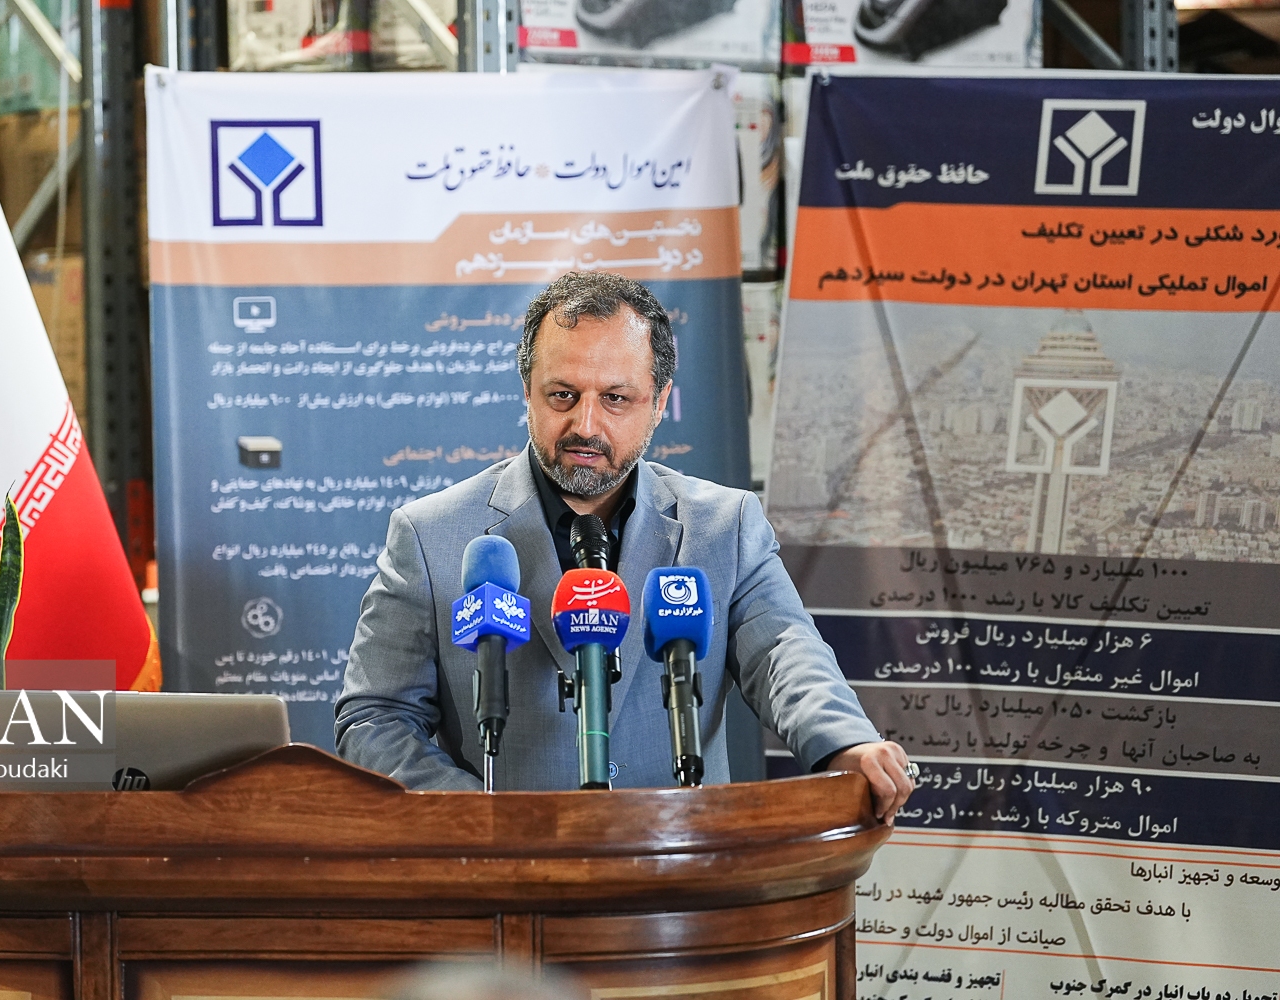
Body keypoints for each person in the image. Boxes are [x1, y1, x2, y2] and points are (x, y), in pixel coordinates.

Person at [335, 271, 915, 822]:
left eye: (616, 398)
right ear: (527, 391)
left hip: (680, 866)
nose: (586, 425)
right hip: (507, 872)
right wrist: (481, 818)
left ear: (659, 402)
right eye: (563, 395)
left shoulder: (725, 526)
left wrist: (845, 744)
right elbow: (375, 719)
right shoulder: (429, 535)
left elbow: (785, 655)